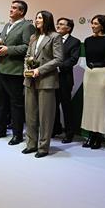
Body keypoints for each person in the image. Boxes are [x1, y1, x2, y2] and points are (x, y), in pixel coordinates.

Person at [0, 0, 36, 145]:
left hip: (14, 71)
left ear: (21, 12)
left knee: (15, 104)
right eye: (11, 7)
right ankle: (1, 129)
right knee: (0, 102)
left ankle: (17, 134)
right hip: (0, 68)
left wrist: (8, 50)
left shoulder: (27, 26)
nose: (10, 10)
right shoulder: (7, 25)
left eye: (14, 8)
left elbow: (28, 47)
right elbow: (2, 44)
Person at [22, 11, 63, 158]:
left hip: (46, 80)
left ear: (47, 20)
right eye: (36, 17)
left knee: (46, 116)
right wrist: (27, 69)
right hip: (30, 80)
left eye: (39, 18)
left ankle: (43, 147)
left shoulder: (55, 36)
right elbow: (27, 55)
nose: (36, 20)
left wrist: (39, 70)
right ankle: (31, 144)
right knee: (30, 114)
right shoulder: (34, 37)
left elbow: (58, 59)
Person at [81, 14, 105, 149]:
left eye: (96, 23)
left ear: (103, 25)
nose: (92, 26)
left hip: (102, 73)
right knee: (89, 106)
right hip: (89, 74)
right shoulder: (87, 40)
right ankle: (90, 135)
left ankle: (98, 137)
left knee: (99, 107)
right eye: (92, 23)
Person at [52, 18, 81, 143]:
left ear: (69, 28)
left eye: (62, 24)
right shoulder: (53, 39)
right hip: (51, 78)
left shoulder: (74, 42)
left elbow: (73, 59)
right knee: (53, 106)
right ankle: (55, 128)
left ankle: (69, 133)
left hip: (64, 78)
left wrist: (58, 67)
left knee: (66, 106)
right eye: (58, 24)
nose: (58, 26)